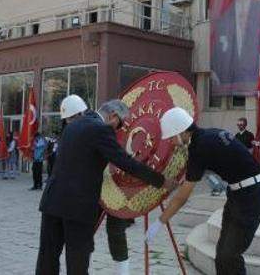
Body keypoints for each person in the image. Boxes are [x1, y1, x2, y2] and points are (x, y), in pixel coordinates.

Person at [36, 96, 176, 275]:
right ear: (113, 116)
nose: (118, 130)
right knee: (77, 259)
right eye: (120, 125)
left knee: (47, 256)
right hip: (77, 207)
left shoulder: (72, 126)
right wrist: (161, 181)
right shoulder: (101, 130)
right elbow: (126, 162)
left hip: (52, 200)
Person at [146, 107, 260, 275]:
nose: (171, 143)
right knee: (223, 255)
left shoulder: (199, 148)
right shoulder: (208, 135)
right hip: (239, 193)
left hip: (251, 196)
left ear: (182, 132)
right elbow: (191, 177)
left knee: (229, 255)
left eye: (171, 138)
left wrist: (160, 221)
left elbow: (182, 198)